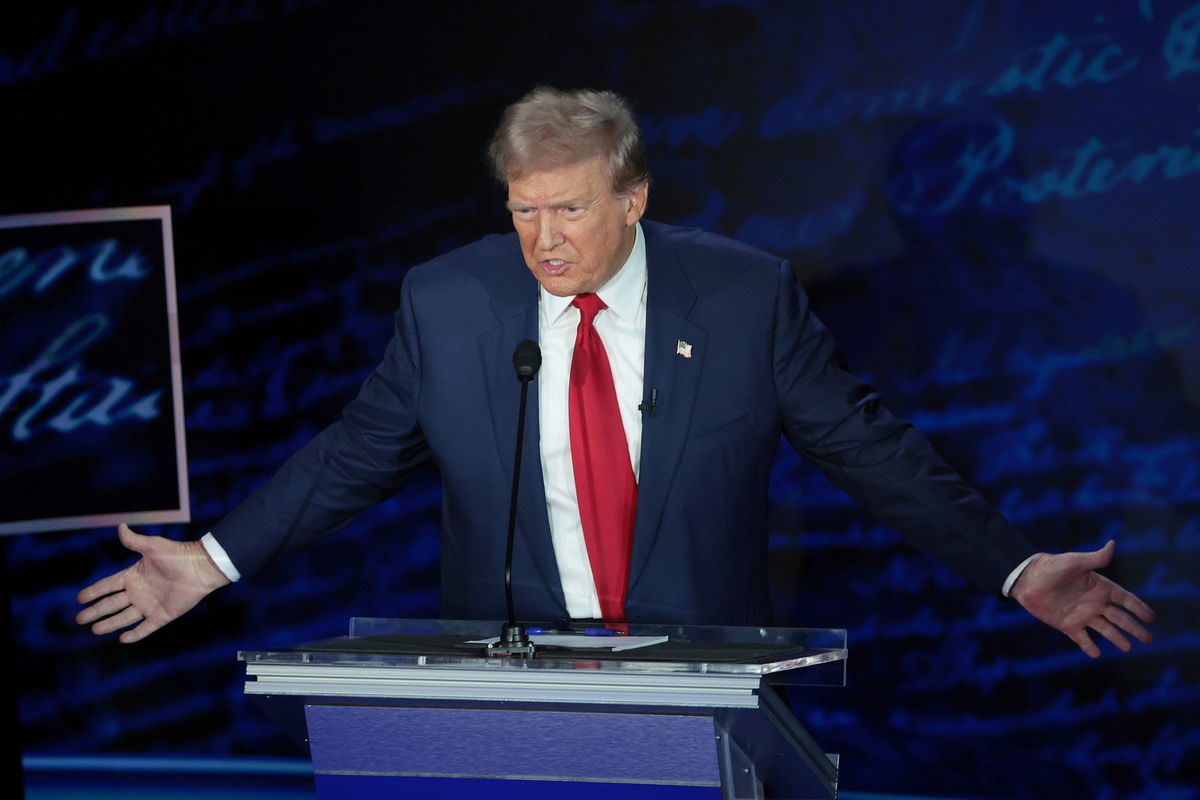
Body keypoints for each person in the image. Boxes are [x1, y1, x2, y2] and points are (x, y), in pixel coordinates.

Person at [78, 88, 1155, 658]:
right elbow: (354, 453)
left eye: (571, 208)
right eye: (523, 210)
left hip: (702, 675)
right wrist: (210, 562)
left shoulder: (742, 297)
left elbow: (872, 452)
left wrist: (1016, 569)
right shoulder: (450, 302)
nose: (543, 240)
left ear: (633, 198)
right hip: (507, 687)